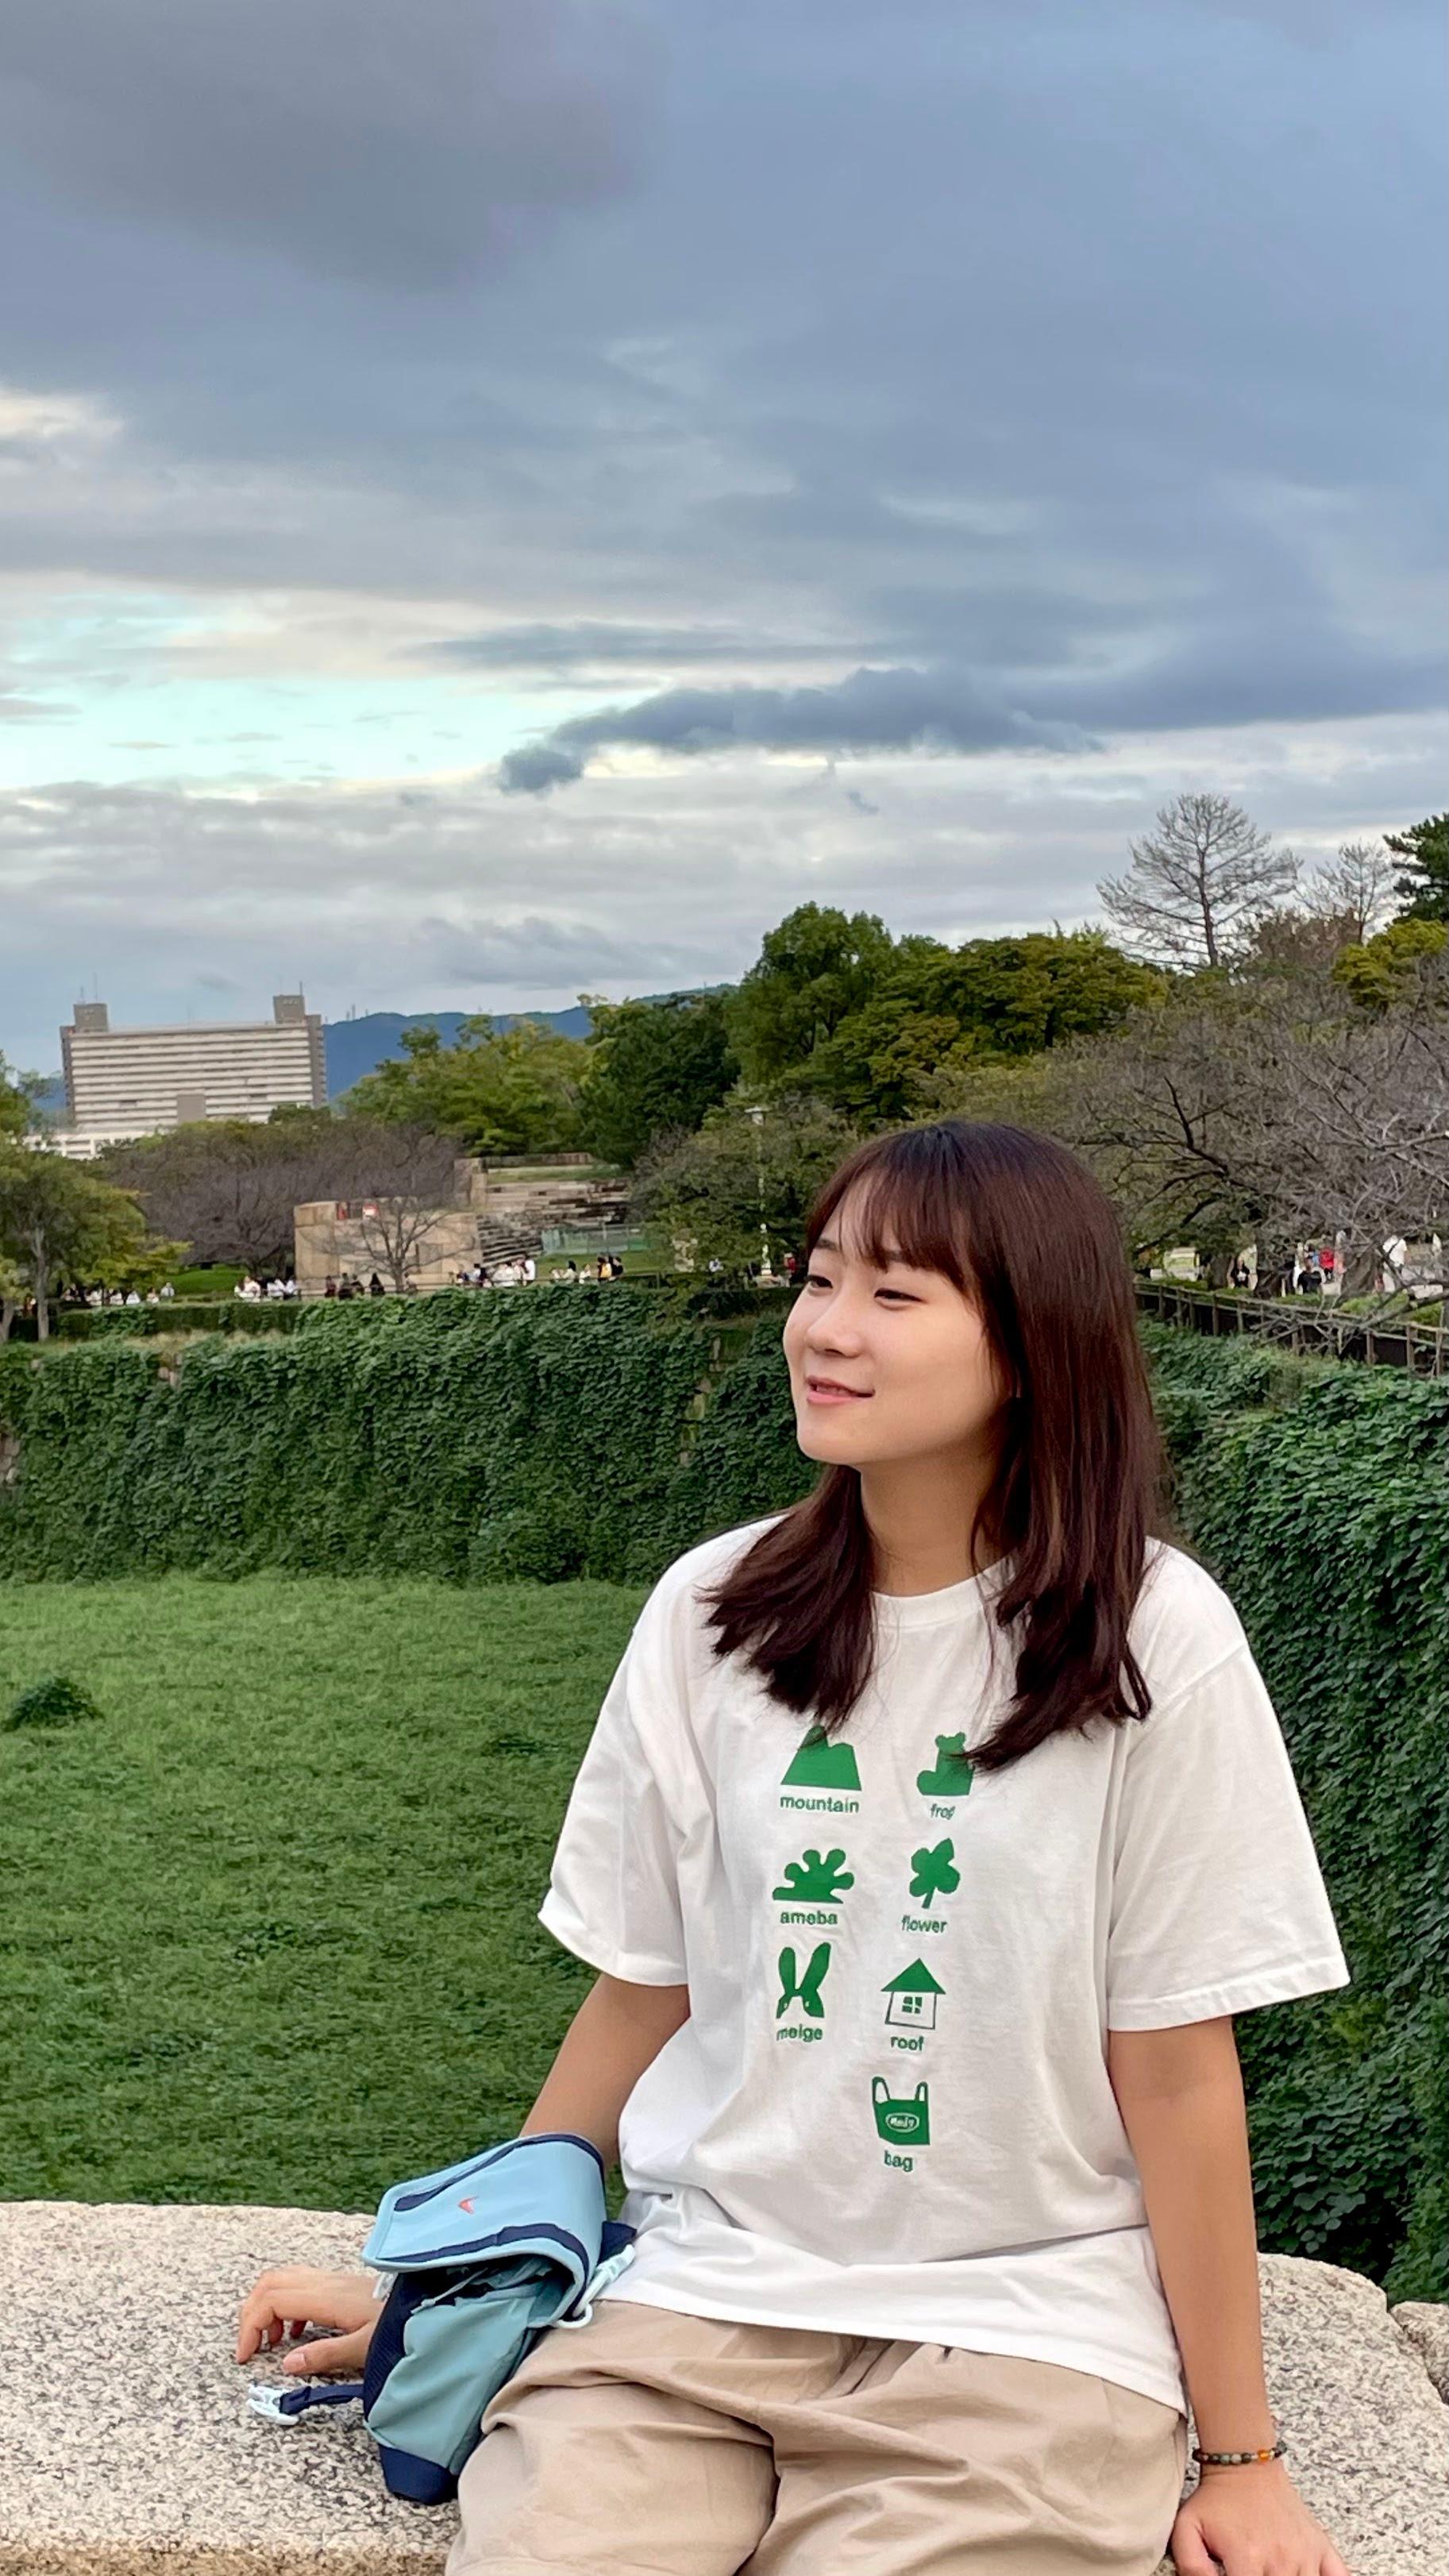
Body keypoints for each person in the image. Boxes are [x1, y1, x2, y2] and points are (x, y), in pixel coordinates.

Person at [238, 1120, 1351, 2576]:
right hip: (687, 2314)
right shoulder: (715, 1612)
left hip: (1019, 2342)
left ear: (1033, 1341)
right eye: (818, 1277)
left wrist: (1242, 2458)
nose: (825, 1329)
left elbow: (1175, 2064)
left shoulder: (1150, 1636)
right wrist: (459, 2285)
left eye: (893, 1293)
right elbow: (646, 1985)